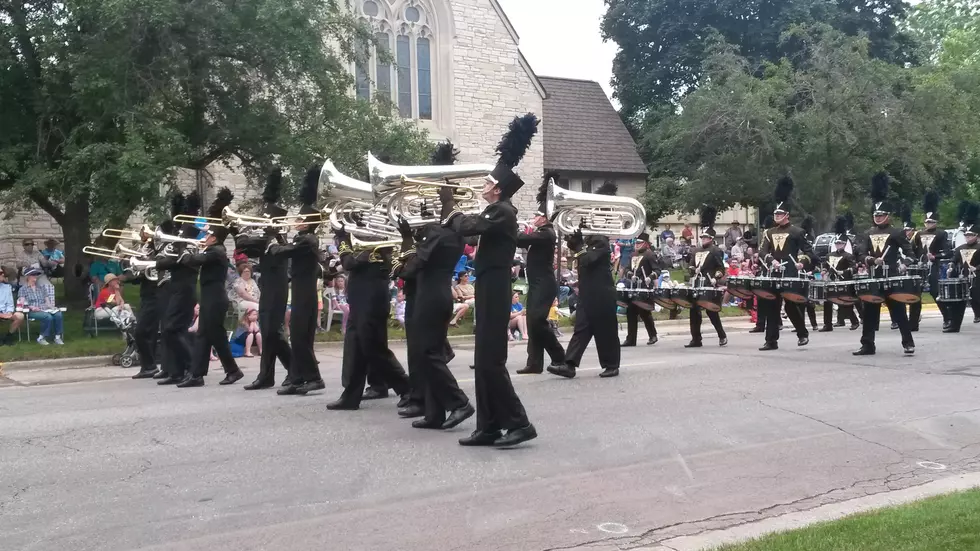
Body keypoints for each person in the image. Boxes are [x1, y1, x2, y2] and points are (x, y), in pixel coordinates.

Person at [440, 113, 538, 448]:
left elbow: (468, 227)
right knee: (483, 361)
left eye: (486, 184)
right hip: (489, 285)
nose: (481, 187)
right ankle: (489, 426)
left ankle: (519, 422)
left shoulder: (502, 211)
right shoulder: (496, 210)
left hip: (497, 287)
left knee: (491, 361)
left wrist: (451, 210)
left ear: (496, 189)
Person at [389, 158, 474, 429]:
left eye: (441, 200)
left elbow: (411, 269)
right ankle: (435, 413)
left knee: (427, 354)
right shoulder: (454, 235)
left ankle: (459, 403)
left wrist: (405, 239)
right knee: (429, 352)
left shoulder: (438, 233)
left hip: (429, 297)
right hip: (439, 295)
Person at [175, 188, 244, 387]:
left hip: (215, 298)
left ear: (213, 238)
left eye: (207, 236)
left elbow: (194, 260)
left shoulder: (217, 251)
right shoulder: (213, 249)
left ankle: (229, 370)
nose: (204, 238)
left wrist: (185, 251)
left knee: (214, 335)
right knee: (206, 335)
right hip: (209, 297)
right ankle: (202, 374)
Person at [271, 167, 326, 395]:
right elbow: (289, 247)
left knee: (301, 338)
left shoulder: (309, 240)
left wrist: (273, 245)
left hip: (306, 295)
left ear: (308, 222)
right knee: (297, 336)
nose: (297, 221)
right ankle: (298, 377)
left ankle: (314, 378)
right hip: (301, 292)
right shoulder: (302, 238)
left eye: (301, 219)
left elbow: (285, 251)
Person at [239, 168, 293, 390]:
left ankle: (296, 370)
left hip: (277, 287)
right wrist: (239, 230)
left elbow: (251, 245)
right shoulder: (266, 235)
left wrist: (241, 230)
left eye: (266, 216)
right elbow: (246, 248)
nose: (262, 218)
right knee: (270, 333)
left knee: (273, 332)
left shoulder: (276, 236)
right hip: (268, 286)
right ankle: (268, 375)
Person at [853, 173, 915, 355]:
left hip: (892, 277)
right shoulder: (867, 233)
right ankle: (867, 345)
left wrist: (904, 264)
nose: (878, 218)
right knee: (869, 313)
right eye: (875, 215)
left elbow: (911, 254)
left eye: (881, 215)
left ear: (888, 216)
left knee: (899, 312)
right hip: (873, 277)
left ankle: (908, 342)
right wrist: (872, 260)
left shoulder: (896, 233)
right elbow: (861, 254)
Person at [515, 173, 566, 374]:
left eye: (536, 216)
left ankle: (559, 355)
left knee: (537, 321)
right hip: (536, 282)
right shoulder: (541, 232)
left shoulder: (547, 233)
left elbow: (520, 239)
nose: (533, 219)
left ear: (543, 218)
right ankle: (534, 362)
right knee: (532, 320)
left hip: (544, 283)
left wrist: (511, 225)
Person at [757, 177, 812, 351]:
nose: (776, 216)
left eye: (780, 214)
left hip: (791, 272)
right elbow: (762, 251)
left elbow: (809, 253)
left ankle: (802, 333)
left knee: (790, 306)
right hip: (774, 272)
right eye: (775, 214)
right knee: (772, 306)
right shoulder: (769, 232)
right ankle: (770, 340)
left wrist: (802, 263)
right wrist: (770, 260)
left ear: (787, 215)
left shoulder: (797, 231)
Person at [153, 191, 201, 385]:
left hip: (186, 289)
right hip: (176, 287)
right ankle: (177, 371)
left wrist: (175, 250)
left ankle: (192, 369)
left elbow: (182, 262)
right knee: (171, 330)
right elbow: (166, 262)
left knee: (173, 329)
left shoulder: (190, 243)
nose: (178, 231)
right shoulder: (180, 241)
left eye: (181, 230)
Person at [686, 206, 728, 347]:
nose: (703, 239)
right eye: (702, 237)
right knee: (694, 312)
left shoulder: (715, 250)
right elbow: (691, 265)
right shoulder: (696, 250)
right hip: (696, 283)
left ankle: (722, 335)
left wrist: (717, 276)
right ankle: (696, 339)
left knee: (711, 312)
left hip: (709, 283)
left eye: (705, 237)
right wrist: (692, 270)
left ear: (711, 238)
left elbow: (721, 268)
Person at [912, 191, 952, 331]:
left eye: (930, 222)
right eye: (926, 221)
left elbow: (948, 251)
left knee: (935, 293)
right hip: (920, 266)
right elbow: (913, 249)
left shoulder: (941, 234)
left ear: (935, 222)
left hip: (934, 266)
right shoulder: (919, 234)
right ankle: (914, 321)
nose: (928, 224)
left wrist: (936, 257)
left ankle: (947, 318)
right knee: (916, 293)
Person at [818, 216, 860, 332]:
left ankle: (854, 321)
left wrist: (844, 272)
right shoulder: (829, 255)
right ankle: (827, 324)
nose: (838, 245)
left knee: (843, 302)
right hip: (831, 281)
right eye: (836, 243)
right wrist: (824, 271)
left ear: (844, 244)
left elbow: (854, 268)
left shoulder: (848, 256)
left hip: (843, 281)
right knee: (827, 302)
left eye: (840, 243)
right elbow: (825, 265)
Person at [944, 202, 980, 333]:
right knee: (959, 300)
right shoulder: (960, 248)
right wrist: (950, 266)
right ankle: (954, 325)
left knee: (976, 295)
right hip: (964, 276)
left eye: (971, 235)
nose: (968, 237)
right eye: (967, 235)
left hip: (978, 277)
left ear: (977, 236)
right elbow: (953, 260)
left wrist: (977, 268)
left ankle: (977, 314)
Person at [622, 232, 659, 347]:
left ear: (645, 244)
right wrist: (629, 275)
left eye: (640, 243)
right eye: (636, 243)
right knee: (631, 312)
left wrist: (650, 278)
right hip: (633, 287)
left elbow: (657, 270)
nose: (637, 245)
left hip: (644, 287)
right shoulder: (633, 255)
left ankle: (653, 335)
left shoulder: (650, 255)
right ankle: (631, 339)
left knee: (644, 312)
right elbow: (627, 268)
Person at [20, 268, 64, 345]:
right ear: (28, 277)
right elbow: (22, 303)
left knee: (58, 314)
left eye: (36, 275)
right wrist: (31, 307)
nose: (35, 277)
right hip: (32, 310)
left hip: (44, 309)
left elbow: (47, 302)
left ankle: (57, 337)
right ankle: (41, 337)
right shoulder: (23, 289)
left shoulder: (41, 288)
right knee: (48, 317)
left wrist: (52, 307)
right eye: (33, 275)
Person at [0, 268, 25, 345]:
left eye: (2, 272)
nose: (3, 274)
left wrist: (9, 312)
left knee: (20, 316)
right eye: (0, 273)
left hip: (4, 311)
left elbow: (10, 304)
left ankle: (8, 337)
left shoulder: (7, 287)